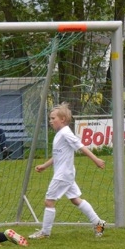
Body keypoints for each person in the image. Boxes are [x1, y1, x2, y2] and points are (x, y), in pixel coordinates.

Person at [29, 102, 106, 239]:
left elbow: (81, 146)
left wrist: (96, 160)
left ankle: (45, 232)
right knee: (75, 199)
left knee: (49, 201)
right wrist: (45, 165)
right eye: (50, 118)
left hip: (63, 174)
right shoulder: (60, 134)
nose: (50, 121)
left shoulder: (65, 133)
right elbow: (58, 155)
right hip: (66, 173)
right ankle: (98, 223)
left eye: (53, 118)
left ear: (63, 119)